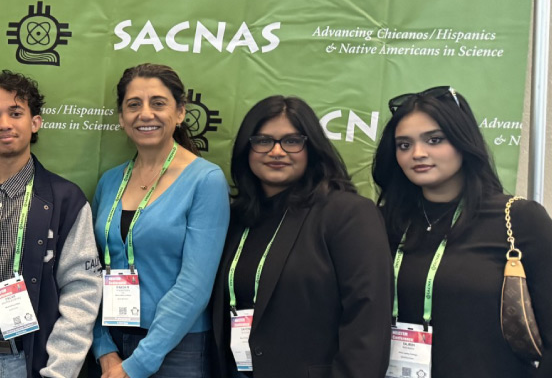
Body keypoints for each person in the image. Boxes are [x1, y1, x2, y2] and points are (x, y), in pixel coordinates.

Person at [373, 86, 552, 377]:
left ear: (462, 142)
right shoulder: (383, 223)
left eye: (434, 140)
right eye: (404, 145)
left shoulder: (518, 219)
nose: (418, 153)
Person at [209, 95, 391, 378]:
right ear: (247, 149)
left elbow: (367, 320)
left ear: (312, 149)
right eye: (263, 141)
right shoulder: (235, 218)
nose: (277, 152)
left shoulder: (347, 213)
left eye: (292, 141)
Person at [0, 70, 102, 378]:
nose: (4, 124)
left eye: (15, 113)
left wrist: (60, 370)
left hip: (32, 363)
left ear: (35, 122)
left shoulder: (66, 200)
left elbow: (82, 290)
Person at [88, 64, 228, 378]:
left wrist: (139, 363)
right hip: (113, 343)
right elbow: (92, 270)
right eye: (133, 104)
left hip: (178, 349)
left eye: (158, 103)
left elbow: (194, 286)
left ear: (180, 113)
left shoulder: (205, 180)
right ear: (122, 118)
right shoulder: (109, 182)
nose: (145, 113)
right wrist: (104, 348)